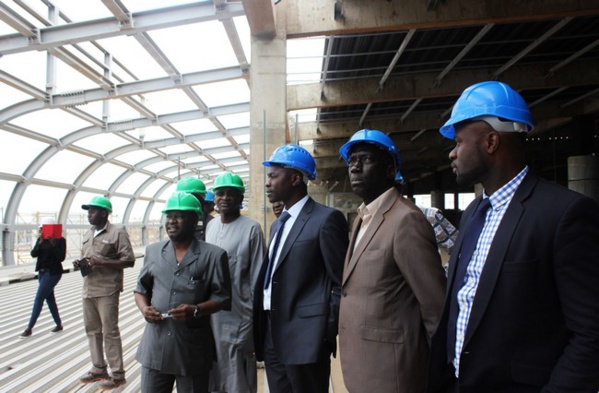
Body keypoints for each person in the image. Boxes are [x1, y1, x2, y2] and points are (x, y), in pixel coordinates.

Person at [427, 81, 599, 392]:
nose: (452, 154)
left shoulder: (563, 215)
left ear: (491, 142)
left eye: (458, 142)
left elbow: (590, 333)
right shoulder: (472, 214)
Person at [337, 129, 446, 392]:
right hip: (364, 363)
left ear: (389, 169)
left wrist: (441, 372)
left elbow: (434, 305)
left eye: (365, 159)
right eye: (351, 161)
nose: (355, 167)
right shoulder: (361, 218)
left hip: (393, 371)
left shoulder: (406, 220)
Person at [253, 144, 348, 393]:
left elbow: (341, 282)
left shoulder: (326, 219)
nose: (267, 183)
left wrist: (324, 333)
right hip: (273, 333)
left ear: (295, 178)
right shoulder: (278, 225)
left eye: (274, 176)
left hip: (307, 337)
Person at [134, 191, 231, 393]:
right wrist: (144, 309)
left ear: (195, 220)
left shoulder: (213, 255)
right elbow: (141, 289)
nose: (172, 222)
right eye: (169, 216)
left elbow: (222, 297)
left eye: (180, 216)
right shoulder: (153, 252)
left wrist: (196, 310)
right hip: (156, 347)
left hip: (191, 350)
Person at [206, 172, 266, 393]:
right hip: (212, 316)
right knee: (216, 370)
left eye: (231, 194)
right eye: (220, 193)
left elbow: (258, 278)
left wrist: (252, 321)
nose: (225, 198)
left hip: (240, 316)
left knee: (238, 373)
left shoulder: (252, 229)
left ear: (240, 198)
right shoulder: (211, 228)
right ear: (214, 198)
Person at [77, 196, 136, 390]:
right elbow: (87, 257)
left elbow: (129, 260)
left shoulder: (117, 233)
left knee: (110, 331)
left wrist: (102, 262)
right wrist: (82, 264)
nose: (89, 215)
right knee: (92, 330)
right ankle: (98, 368)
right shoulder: (89, 233)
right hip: (89, 289)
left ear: (104, 213)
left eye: (92, 211)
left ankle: (118, 374)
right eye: (88, 211)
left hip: (108, 290)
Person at [20, 217, 67, 338]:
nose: (42, 231)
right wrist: (39, 244)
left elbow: (61, 257)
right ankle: (59, 324)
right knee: (50, 299)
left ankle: (29, 328)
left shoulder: (60, 240)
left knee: (39, 298)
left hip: (53, 273)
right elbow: (33, 254)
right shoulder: (40, 240)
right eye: (41, 229)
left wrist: (53, 244)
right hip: (41, 273)